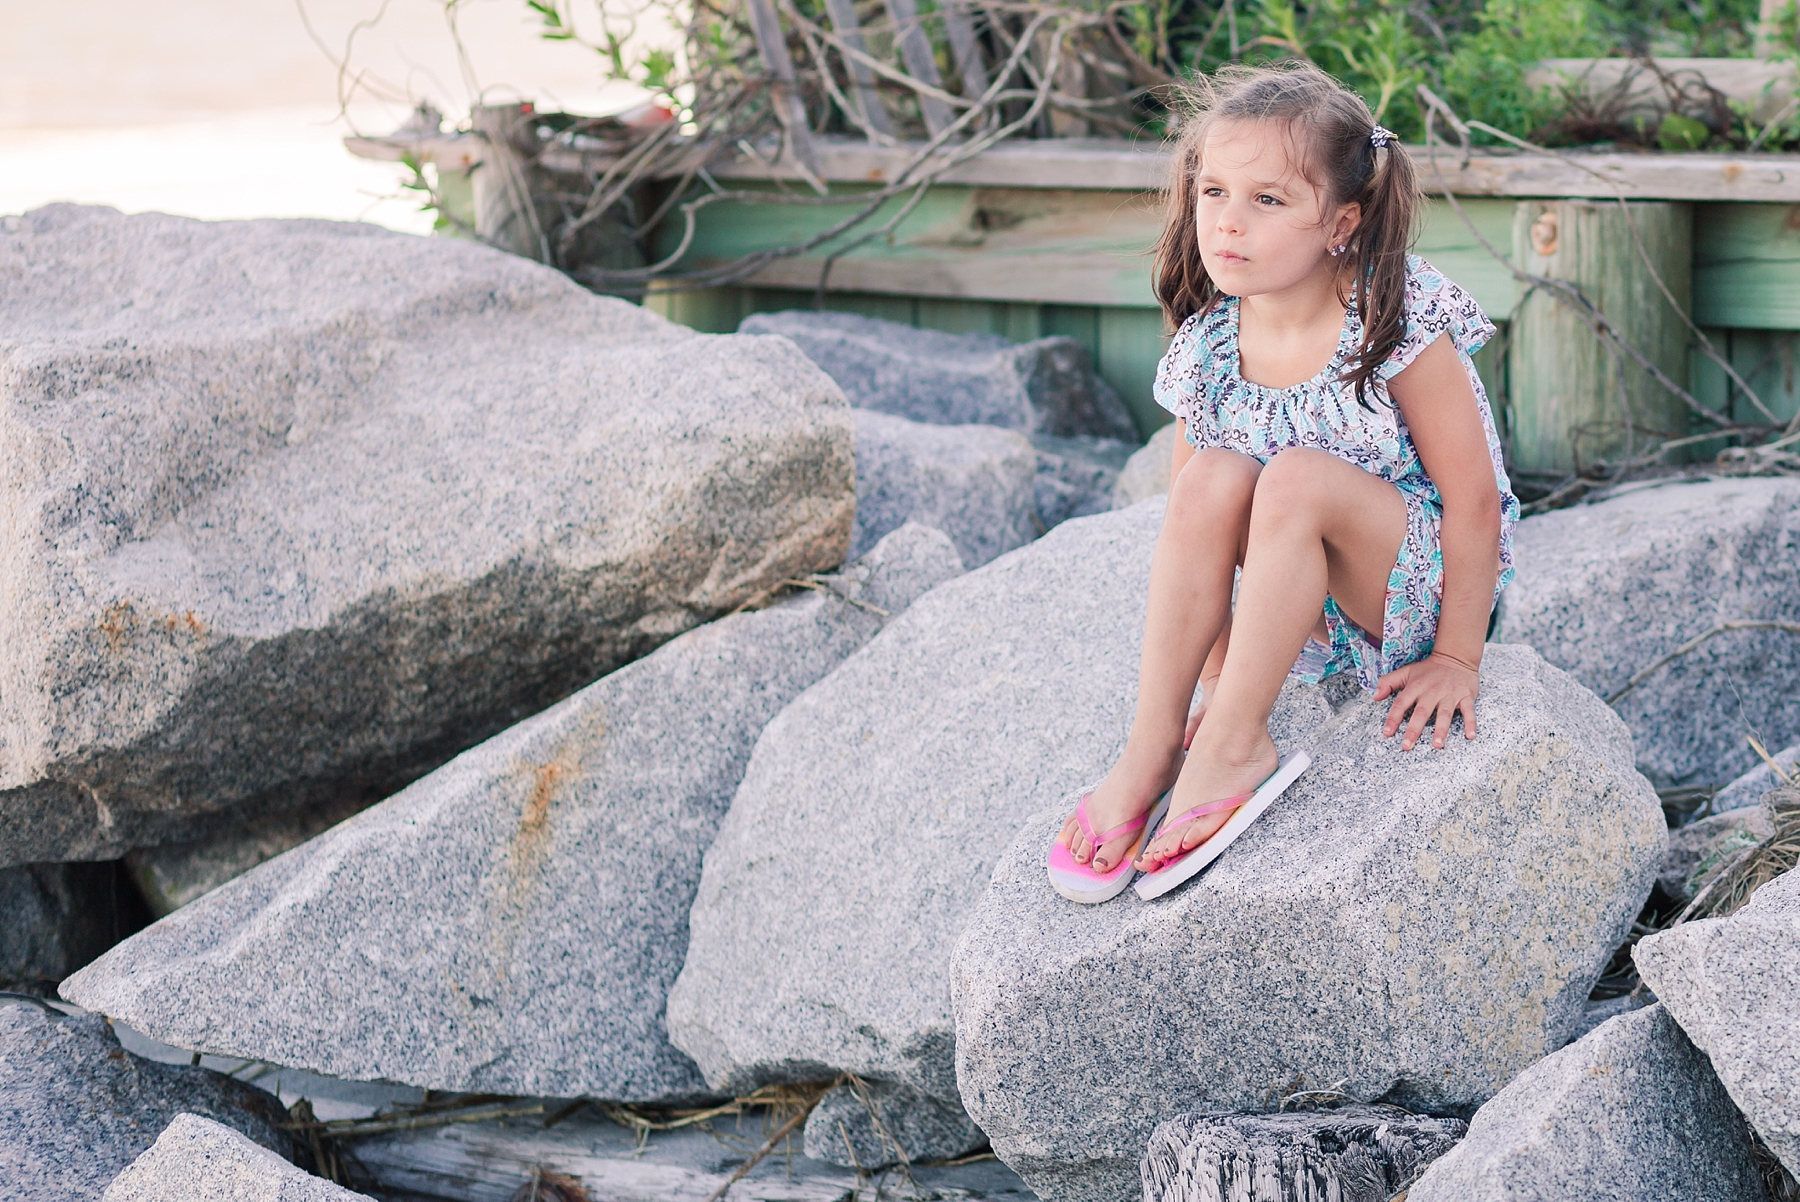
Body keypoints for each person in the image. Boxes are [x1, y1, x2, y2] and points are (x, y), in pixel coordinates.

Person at [1047, 61, 1518, 903]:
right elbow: (1202, 535)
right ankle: (1154, 746)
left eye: (1267, 201)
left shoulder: (1394, 315)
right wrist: (1222, 672)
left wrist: (1457, 654)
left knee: (1296, 477)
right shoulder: (1209, 344)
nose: (1228, 224)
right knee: (1206, 479)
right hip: (1297, 605)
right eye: (1214, 193)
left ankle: (1238, 748)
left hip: (1411, 581)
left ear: (1340, 222)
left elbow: (1475, 498)